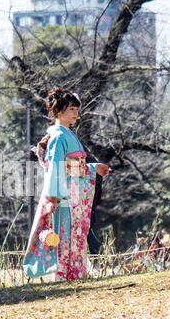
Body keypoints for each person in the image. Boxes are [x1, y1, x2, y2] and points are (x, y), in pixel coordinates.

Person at [23, 87, 111, 281]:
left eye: (76, 109)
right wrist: (53, 197)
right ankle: (64, 278)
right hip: (64, 199)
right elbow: (55, 167)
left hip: (75, 197)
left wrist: (94, 168)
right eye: (71, 108)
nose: (75, 113)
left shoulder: (67, 134)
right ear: (59, 110)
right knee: (65, 241)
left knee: (76, 239)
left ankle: (76, 276)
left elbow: (74, 168)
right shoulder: (59, 136)